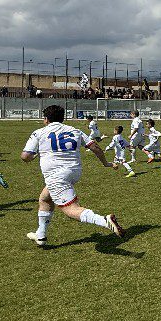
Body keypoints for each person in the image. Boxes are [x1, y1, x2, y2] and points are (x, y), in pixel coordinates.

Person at [20, 104, 123, 246]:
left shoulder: (39, 133)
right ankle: (41, 235)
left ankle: (104, 221)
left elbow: (25, 156)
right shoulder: (75, 130)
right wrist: (106, 163)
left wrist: (34, 156)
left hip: (56, 175)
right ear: (62, 118)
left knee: (70, 208)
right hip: (74, 172)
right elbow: (95, 147)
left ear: (46, 119)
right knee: (45, 199)